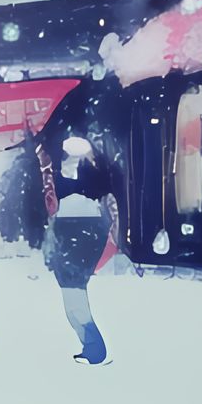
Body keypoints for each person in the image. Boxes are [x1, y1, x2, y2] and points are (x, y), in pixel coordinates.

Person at [32, 128, 121, 365]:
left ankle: (93, 350)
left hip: (76, 222)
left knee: (75, 309)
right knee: (75, 309)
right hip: (77, 222)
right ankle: (93, 350)